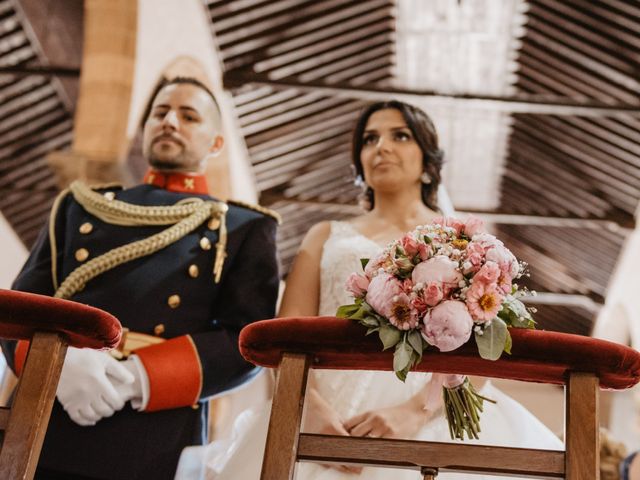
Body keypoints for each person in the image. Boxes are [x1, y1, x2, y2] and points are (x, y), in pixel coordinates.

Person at [176, 100, 562, 479]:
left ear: (428, 163)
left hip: (424, 419)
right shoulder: (324, 236)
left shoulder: (464, 243)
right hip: (327, 416)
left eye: (400, 136)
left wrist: (413, 414)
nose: (382, 147)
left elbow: (484, 349)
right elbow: (286, 335)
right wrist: (309, 410)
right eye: (369, 139)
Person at [0, 76, 280, 480]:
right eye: (160, 112)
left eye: (188, 116)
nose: (170, 122)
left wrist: (138, 378)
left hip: (156, 431)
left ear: (216, 143)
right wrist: (60, 367)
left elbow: (244, 342)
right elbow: (16, 311)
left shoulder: (241, 226)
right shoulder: (80, 206)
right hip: (51, 408)